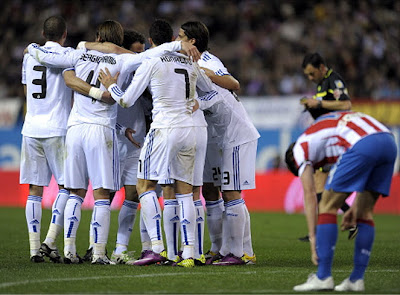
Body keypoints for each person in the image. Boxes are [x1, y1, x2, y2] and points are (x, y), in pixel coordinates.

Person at [27, 20, 198, 264]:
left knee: (74, 192)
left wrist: (32, 49)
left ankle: (69, 250)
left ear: (99, 36)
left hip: (75, 127)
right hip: (101, 129)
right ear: (119, 40)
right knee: (101, 195)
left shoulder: (80, 52)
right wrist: (177, 45)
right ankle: (98, 253)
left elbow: (53, 61)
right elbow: (152, 54)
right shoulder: (124, 59)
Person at [98, 27, 213, 267]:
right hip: (189, 130)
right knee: (185, 192)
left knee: (144, 185)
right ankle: (189, 252)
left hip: (163, 129)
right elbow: (212, 93)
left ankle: (157, 248)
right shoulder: (191, 62)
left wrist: (111, 85)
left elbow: (127, 100)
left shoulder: (153, 60)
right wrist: (198, 104)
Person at [284, 111, 397, 292]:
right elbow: (359, 169)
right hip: (388, 141)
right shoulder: (323, 138)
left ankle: (323, 277)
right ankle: (356, 280)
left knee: (327, 205)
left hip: (363, 143)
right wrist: (353, 209)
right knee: (364, 212)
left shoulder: (299, 148)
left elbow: (310, 194)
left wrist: (313, 240)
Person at [177, 21, 259, 265]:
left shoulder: (208, 62)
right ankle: (219, 249)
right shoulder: (188, 63)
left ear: (192, 41)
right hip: (215, 135)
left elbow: (233, 84)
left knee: (231, 191)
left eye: (180, 36)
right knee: (211, 190)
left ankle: (241, 252)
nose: (176, 39)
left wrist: (205, 76)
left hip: (234, 133)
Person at [21, 15, 72, 263]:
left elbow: (26, 89)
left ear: (43, 33)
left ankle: (33, 250)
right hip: (57, 128)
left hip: (31, 128)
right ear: (64, 35)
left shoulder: (28, 55)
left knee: (34, 190)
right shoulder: (67, 55)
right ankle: (49, 241)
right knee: (67, 186)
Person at [298, 52, 353, 242]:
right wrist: (312, 106)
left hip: (334, 138)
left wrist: (318, 102)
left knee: (320, 184)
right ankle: (345, 218)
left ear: (322, 68)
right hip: (325, 136)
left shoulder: (334, 81)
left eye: (312, 74)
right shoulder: (322, 85)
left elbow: (346, 104)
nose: (311, 78)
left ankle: (343, 219)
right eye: (308, 75)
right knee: (319, 186)